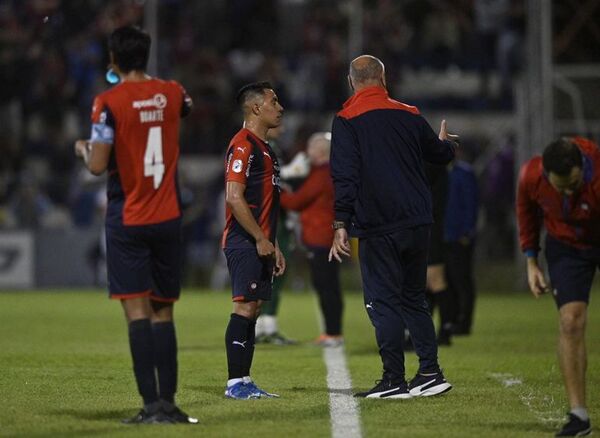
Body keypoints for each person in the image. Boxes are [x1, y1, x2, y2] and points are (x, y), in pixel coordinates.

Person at [73, 26, 197, 424]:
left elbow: (96, 165)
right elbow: (184, 108)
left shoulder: (107, 102)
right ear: (147, 54)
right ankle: (170, 404)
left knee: (137, 314)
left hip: (128, 218)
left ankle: (150, 407)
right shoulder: (173, 92)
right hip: (167, 216)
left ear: (113, 59)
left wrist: (84, 148)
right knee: (165, 313)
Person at [329, 55, 456, 399]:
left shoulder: (347, 119)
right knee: (414, 298)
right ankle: (430, 372)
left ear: (351, 80)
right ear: (383, 78)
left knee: (382, 302)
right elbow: (441, 156)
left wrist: (340, 221)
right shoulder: (409, 113)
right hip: (417, 220)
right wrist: (445, 143)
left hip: (378, 222)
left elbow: (345, 174)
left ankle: (393, 380)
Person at [517, 137, 600, 437]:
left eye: (573, 185)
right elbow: (526, 212)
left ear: (584, 168)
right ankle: (579, 416)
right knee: (570, 321)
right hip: (565, 245)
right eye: (560, 187)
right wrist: (531, 260)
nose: (567, 192)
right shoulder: (531, 175)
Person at [222, 81, 286, 399]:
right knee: (244, 309)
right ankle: (235, 383)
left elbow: (266, 205)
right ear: (256, 107)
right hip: (243, 240)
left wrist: (275, 244)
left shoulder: (266, 149)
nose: (280, 107)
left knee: (255, 308)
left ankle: (245, 382)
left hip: (260, 241)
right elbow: (234, 197)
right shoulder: (243, 144)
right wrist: (261, 238)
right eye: (274, 102)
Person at [280, 132, 344, 347]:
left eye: (310, 148)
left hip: (321, 237)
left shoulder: (322, 173)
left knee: (326, 286)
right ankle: (333, 333)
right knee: (329, 286)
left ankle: (332, 334)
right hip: (327, 235)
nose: (307, 152)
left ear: (320, 151)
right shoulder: (329, 171)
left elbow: (297, 202)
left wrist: (276, 191)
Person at [444, 153, 478, 336]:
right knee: (446, 280)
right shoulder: (438, 171)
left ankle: (464, 322)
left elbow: (471, 204)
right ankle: (451, 319)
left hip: (458, 236)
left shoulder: (464, 173)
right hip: (442, 236)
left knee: (462, 280)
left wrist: (467, 232)